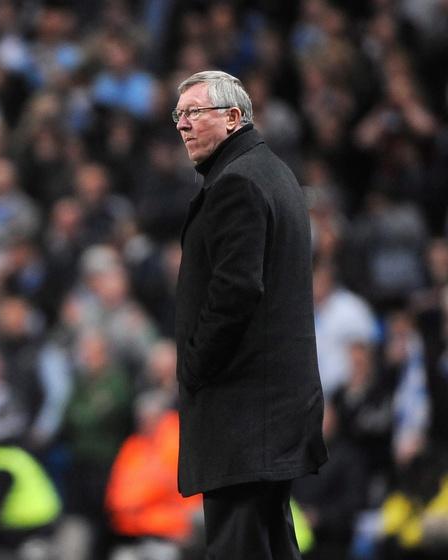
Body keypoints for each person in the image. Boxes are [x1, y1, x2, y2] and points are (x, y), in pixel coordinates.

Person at [172, 70, 327, 559]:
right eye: (178, 116)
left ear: (234, 117)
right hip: (269, 412)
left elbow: (236, 291)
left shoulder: (237, 183)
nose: (182, 126)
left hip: (244, 414)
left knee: (239, 547)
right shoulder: (270, 172)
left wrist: (195, 366)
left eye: (194, 113)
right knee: (271, 543)